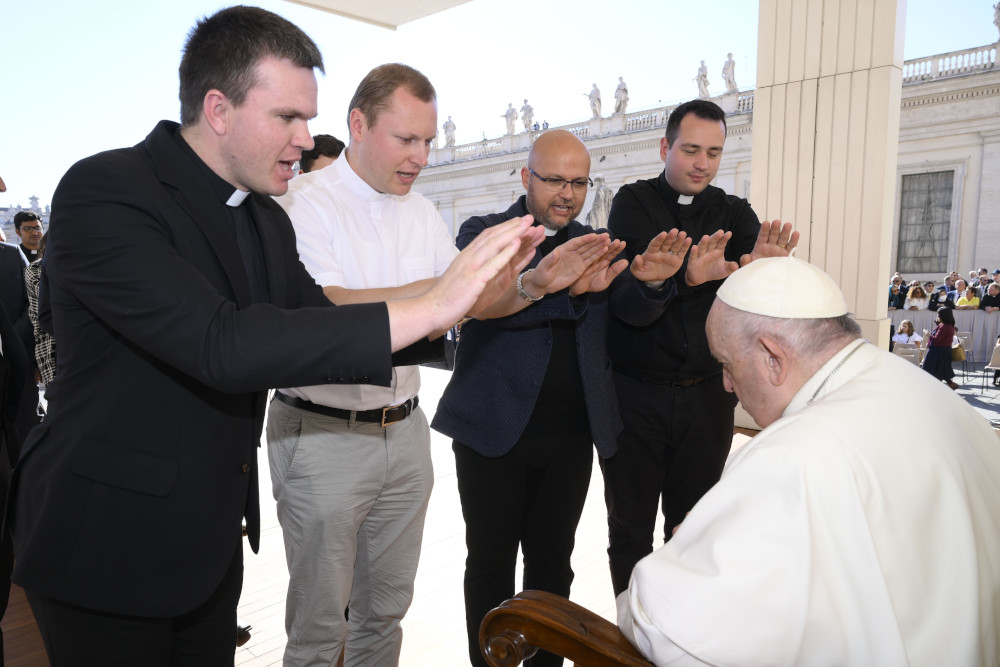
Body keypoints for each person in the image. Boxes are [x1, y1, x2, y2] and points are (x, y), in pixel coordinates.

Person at [8, 8, 541, 664]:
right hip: (106, 543)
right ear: (220, 109)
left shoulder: (262, 217)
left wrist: (478, 301)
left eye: (308, 118)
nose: (304, 138)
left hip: (204, 543)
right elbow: (221, 344)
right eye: (287, 117)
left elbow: (317, 324)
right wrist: (437, 299)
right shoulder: (107, 190)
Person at [618, 256, 1000, 667]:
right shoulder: (927, 390)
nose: (727, 384)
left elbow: (664, 627)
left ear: (773, 358)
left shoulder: (794, 455)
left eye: (726, 365)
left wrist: (693, 542)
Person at [433, 129, 692, 667]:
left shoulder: (595, 242)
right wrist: (558, 288)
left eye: (578, 182)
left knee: (553, 565)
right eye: (554, 180)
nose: (567, 193)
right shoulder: (486, 234)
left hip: (572, 437)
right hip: (491, 432)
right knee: (490, 566)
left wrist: (649, 284)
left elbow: (627, 311)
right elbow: (484, 303)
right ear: (526, 177)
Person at [266, 63, 465, 666]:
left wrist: (532, 283)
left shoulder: (424, 212)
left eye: (428, 141)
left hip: (406, 432)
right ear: (358, 124)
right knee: (320, 629)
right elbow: (327, 309)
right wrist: (445, 290)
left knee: (385, 615)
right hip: (322, 434)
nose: (422, 156)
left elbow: (460, 302)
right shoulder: (302, 205)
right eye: (407, 139)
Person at [602, 99, 798, 597]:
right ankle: (630, 635)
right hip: (634, 399)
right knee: (629, 532)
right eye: (690, 149)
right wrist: (686, 278)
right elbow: (630, 303)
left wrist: (765, 268)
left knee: (695, 527)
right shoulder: (633, 202)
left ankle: (681, 633)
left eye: (713, 152)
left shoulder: (734, 212)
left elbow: (758, 296)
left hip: (707, 401)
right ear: (665, 147)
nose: (702, 163)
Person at [922, 307, 960, 390]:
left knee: (933, 369)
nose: (938, 316)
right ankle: (950, 384)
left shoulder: (944, 326)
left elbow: (936, 340)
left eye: (939, 315)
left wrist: (927, 334)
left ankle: (936, 387)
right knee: (941, 369)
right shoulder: (948, 325)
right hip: (943, 350)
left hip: (939, 351)